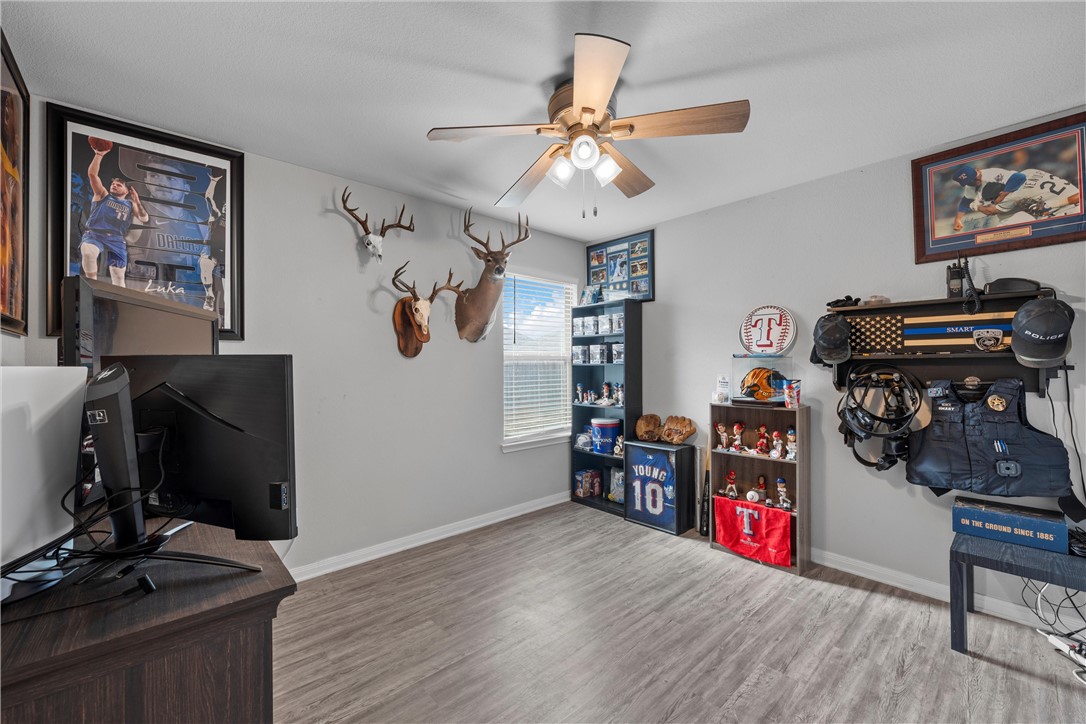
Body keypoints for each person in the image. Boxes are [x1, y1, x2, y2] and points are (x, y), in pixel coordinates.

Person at [79, 142, 149, 286]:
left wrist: (138, 202)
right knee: (88, 253)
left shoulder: (130, 204)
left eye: (119, 185)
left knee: (118, 278)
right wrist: (98, 155)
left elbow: (144, 218)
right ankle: (92, 288)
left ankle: (119, 304)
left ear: (127, 191)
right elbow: (92, 174)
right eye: (113, 184)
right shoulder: (102, 194)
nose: (114, 185)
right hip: (95, 234)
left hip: (117, 239)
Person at [951, 164, 1080, 232]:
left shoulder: (1011, 196)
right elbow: (1019, 178)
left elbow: (990, 211)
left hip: (1069, 213)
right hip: (1074, 195)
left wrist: (976, 205)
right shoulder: (1029, 171)